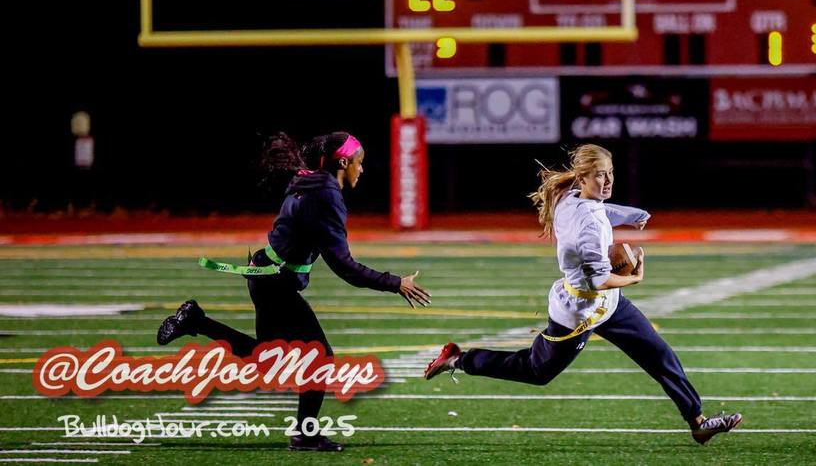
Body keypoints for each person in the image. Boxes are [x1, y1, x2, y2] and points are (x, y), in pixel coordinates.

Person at [423, 144, 741, 445]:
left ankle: (698, 424)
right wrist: (636, 277)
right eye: (599, 175)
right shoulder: (589, 226)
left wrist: (631, 214)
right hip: (579, 311)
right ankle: (460, 359)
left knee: (658, 354)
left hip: (607, 305)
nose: (607, 181)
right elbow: (601, 280)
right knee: (536, 372)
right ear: (582, 177)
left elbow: (600, 210)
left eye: (610, 173)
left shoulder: (570, 196)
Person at [157, 131, 431, 452]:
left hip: (267, 273)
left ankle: (196, 321)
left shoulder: (310, 180)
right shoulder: (326, 196)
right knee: (320, 358)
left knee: (267, 359)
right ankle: (306, 435)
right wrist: (395, 282)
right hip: (276, 282)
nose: (362, 169)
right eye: (359, 163)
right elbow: (344, 266)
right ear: (343, 162)